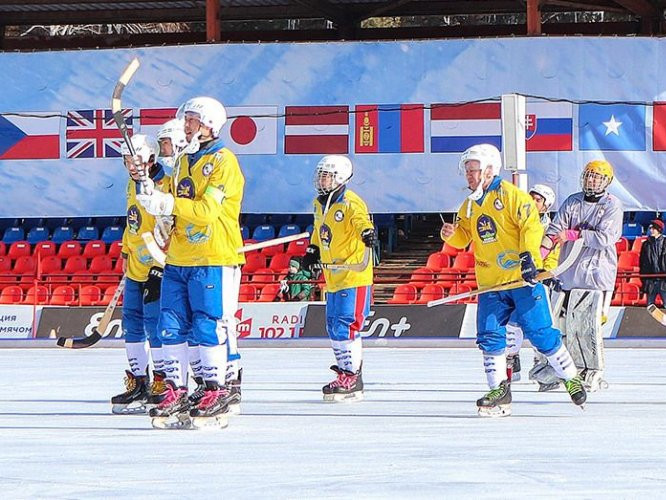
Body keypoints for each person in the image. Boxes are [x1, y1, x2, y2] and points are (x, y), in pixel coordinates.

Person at [440, 144, 586, 417]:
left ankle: (570, 377)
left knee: (541, 333)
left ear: (490, 170)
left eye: (474, 171)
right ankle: (499, 390)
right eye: (468, 171)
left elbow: (530, 227)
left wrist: (530, 259)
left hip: (521, 281)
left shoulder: (513, 197)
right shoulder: (469, 204)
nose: (469, 176)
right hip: (491, 284)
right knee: (490, 336)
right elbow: (463, 237)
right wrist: (451, 234)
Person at [136, 96, 245, 430]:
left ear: (209, 123)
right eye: (186, 120)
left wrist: (169, 204)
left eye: (192, 121)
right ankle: (176, 387)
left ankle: (216, 388)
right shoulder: (183, 160)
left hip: (213, 256)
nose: (186, 125)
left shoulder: (224, 162)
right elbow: (172, 197)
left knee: (207, 323)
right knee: (169, 325)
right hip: (178, 257)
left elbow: (206, 212)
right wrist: (153, 197)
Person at [539, 159, 623, 392]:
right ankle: (559, 369)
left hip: (596, 275)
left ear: (606, 181)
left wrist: (575, 235)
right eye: (589, 175)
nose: (591, 180)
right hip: (568, 274)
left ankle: (592, 370)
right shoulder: (573, 201)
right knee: (560, 324)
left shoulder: (612, 205)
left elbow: (606, 238)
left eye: (597, 176)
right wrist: (539, 255)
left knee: (586, 327)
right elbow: (555, 231)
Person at [303, 155, 374, 402]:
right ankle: (346, 371)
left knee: (346, 324)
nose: (322, 180)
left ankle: (351, 376)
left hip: (352, 274)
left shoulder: (351, 203)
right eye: (320, 174)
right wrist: (313, 249)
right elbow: (319, 230)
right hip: (332, 275)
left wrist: (367, 233)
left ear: (341, 178)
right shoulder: (319, 203)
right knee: (333, 326)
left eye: (327, 175)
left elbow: (361, 222)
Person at [111, 134, 168, 414]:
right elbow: (131, 221)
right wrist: (124, 250)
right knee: (132, 324)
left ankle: (162, 381)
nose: (132, 166)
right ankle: (139, 381)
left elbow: (171, 228)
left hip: (158, 266)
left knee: (155, 324)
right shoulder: (130, 186)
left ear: (151, 158)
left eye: (137, 160)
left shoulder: (165, 184)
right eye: (127, 161)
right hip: (135, 266)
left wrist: (162, 265)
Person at [505, 183, 560, 382]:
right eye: (531, 197)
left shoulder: (549, 228)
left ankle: (543, 367)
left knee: (539, 327)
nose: (533, 202)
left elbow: (553, 254)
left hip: (536, 280)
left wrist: (545, 272)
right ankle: (512, 360)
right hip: (515, 278)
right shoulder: (516, 220)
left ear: (546, 206)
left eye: (538, 200)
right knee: (512, 324)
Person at [639, 219, 666, 307]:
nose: (651, 230)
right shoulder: (646, 244)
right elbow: (642, 262)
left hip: (663, 280)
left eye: (653, 228)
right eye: (650, 228)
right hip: (650, 280)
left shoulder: (665, 243)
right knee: (650, 307)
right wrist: (644, 278)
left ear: (659, 230)